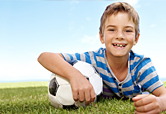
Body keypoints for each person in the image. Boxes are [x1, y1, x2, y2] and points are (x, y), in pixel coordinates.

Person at [38, 2, 166, 113]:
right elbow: (45, 57)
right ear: (101, 36)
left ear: (136, 38)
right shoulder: (93, 59)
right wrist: (74, 75)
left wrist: (160, 103)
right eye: (112, 30)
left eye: (127, 30)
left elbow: (164, 94)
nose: (120, 36)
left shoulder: (142, 65)